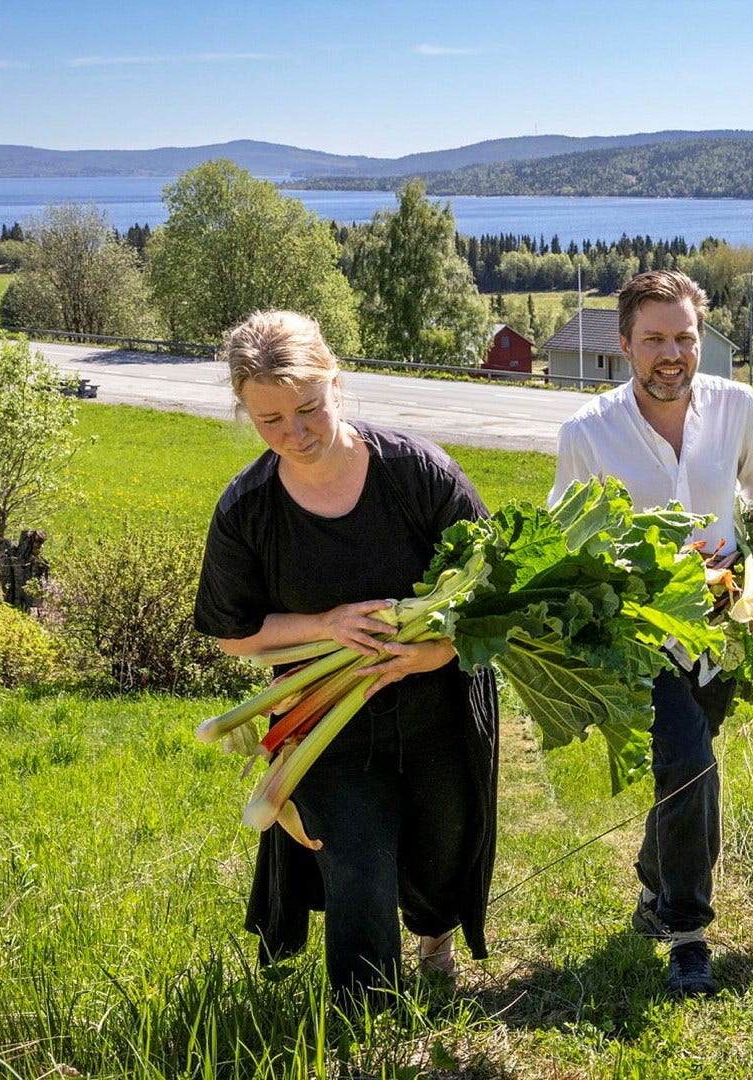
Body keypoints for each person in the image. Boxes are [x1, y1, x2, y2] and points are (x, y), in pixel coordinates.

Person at [193, 309, 500, 1006]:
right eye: (270, 420)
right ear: (245, 410)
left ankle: (433, 942)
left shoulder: (419, 474)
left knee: (439, 853)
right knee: (358, 868)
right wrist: (326, 627)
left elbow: (492, 599)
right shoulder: (248, 510)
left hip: (438, 707)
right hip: (326, 723)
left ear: (337, 380)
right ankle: (366, 1018)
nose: (295, 434)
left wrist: (429, 655)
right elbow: (232, 634)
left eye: (309, 408)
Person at [550, 270, 753, 997]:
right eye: (653, 338)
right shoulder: (587, 433)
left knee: (689, 773)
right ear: (624, 345)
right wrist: (644, 567)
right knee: (690, 767)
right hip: (639, 637)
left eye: (683, 337)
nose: (671, 353)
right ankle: (689, 934)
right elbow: (568, 546)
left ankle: (655, 894)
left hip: (723, 632)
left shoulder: (738, 407)